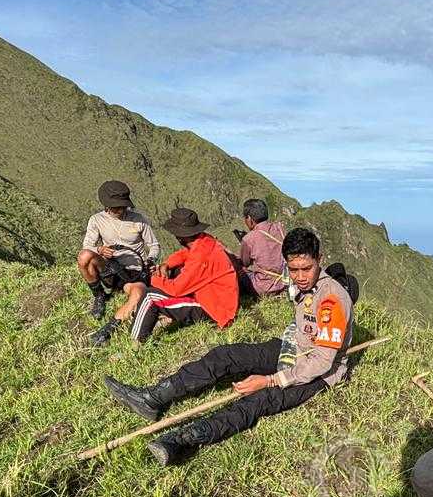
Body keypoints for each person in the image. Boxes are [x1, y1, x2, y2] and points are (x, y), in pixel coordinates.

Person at [101, 227, 352, 465]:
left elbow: (322, 361)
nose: (300, 277)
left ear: (320, 259)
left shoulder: (332, 298)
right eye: (294, 269)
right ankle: (153, 398)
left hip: (319, 372)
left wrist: (270, 380)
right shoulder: (302, 283)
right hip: (293, 347)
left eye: (306, 269)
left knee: (259, 400)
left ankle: (181, 440)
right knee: (227, 355)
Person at [95, 207, 239, 347]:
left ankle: (135, 343)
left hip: (214, 308)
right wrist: (166, 265)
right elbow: (184, 254)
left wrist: (153, 278)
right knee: (175, 272)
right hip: (215, 297)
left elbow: (176, 289)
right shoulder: (204, 241)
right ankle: (158, 318)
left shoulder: (200, 257)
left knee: (150, 297)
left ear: (179, 235)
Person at [78, 181, 159, 338]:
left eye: (123, 206)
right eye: (116, 207)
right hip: (110, 268)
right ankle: (99, 296)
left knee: (138, 293)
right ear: (106, 205)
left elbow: (154, 245)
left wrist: (150, 260)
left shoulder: (139, 219)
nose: (120, 210)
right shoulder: (96, 220)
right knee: (84, 256)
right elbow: (87, 246)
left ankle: (108, 330)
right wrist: (100, 249)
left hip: (134, 272)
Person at [232, 198, 287, 298]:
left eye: (245, 218)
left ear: (249, 218)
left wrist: (244, 244)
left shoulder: (249, 239)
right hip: (285, 283)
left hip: (265, 288)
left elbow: (245, 263)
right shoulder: (280, 228)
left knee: (239, 270)